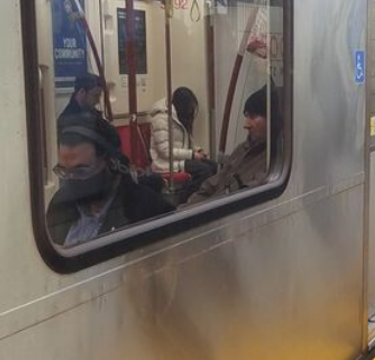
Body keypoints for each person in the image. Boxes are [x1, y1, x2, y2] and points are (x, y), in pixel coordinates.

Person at [46, 115, 174, 247]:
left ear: (111, 163)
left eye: (81, 170)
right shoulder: (60, 205)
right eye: (63, 171)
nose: (70, 178)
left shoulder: (146, 211)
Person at [186, 86, 279, 205]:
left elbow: (242, 202)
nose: (246, 125)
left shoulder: (275, 163)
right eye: (246, 116)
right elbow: (212, 185)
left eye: (253, 116)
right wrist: (185, 211)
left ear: (272, 119)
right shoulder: (242, 149)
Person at [58, 72, 121, 154]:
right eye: (95, 95)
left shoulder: (91, 113)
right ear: (82, 92)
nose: (98, 101)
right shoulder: (68, 119)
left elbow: (115, 139)